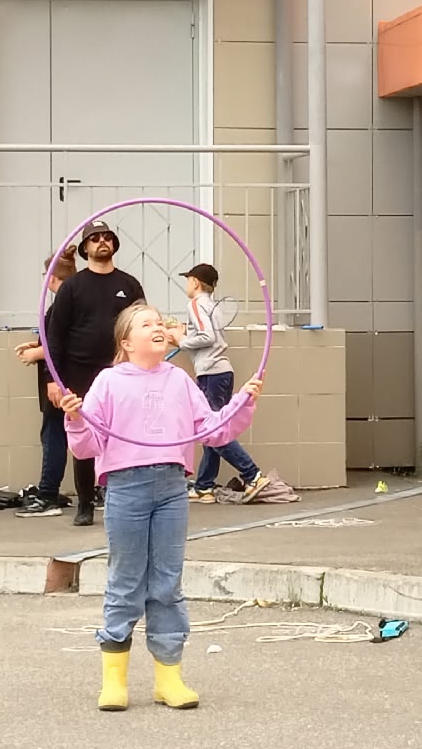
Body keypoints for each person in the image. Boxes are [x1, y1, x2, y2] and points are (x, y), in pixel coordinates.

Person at [58, 304, 261, 711]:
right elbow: (88, 444)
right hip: (125, 487)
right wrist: (76, 419)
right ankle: (114, 681)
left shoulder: (179, 379)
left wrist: (243, 400)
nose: (157, 327)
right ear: (126, 342)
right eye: (145, 323)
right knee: (126, 579)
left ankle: (169, 678)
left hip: (172, 486)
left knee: (167, 582)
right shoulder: (108, 381)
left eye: (159, 322)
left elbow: (211, 429)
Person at [43, 225, 144, 528]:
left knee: (123, 433)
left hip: (121, 371)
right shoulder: (72, 287)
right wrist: (52, 378)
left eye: (107, 237)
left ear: (114, 244)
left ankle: (118, 496)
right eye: (95, 238)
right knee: (84, 435)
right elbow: (54, 337)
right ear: (85, 248)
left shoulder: (129, 284)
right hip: (80, 372)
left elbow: (141, 325)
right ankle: (85, 503)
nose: (102, 242)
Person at [176, 263, 266, 503]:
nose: (187, 285)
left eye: (188, 280)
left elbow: (207, 336)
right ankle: (204, 486)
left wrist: (181, 341)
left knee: (212, 431)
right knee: (212, 429)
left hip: (211, 373)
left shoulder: (195, 304)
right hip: (222, 372)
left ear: (195, 282)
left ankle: (253, 475)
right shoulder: (213, 306)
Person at [13, 248, 81, 516]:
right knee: (72, 436)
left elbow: (67, 344)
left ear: (51, 277)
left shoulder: (63, 306)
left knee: (54, 437)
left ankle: (48, 494)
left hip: (62, 382)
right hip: (70, 379)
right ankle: (94, 490)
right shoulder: (76, 302)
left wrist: (38, 354)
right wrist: (38, 347)